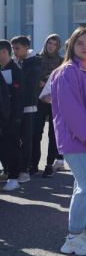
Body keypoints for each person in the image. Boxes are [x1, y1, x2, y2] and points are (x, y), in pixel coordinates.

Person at [51, 28, 86, 255]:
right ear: (71, 46)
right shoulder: (67, 72)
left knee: (83, 186)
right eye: (80, 43)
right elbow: (71, 108)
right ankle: (73, 237)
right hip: (78, 140)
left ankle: (82, 231)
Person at [11, 36, 42, 180]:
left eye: (17, 48)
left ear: (25, 48)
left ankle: (25, 170)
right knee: (15, 138)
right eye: (12, 48)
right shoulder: (15, 62)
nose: (14, 51)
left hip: (29, 105)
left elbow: (27, 83)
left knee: (27, 139)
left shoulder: (34, 61)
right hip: (15, 106)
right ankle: (14, 168)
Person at [33, 34, 63, 177]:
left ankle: (49, 164)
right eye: (49, 43)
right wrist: (38, 82)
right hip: (38, 101)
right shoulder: (37, 59)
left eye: (55, 44)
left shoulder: (62, 61)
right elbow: (30, 77)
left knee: (53, 134)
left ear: (58, 46)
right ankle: (33, 164)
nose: (51, 46)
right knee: (36, 133)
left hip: (54, 101)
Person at [0, 40, 24, 192]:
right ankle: (8, 172)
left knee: (11, 146)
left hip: (11, 116)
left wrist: (14, 117)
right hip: (3, 116)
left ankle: (14, 178)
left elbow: (18, 96)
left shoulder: (15, 69)